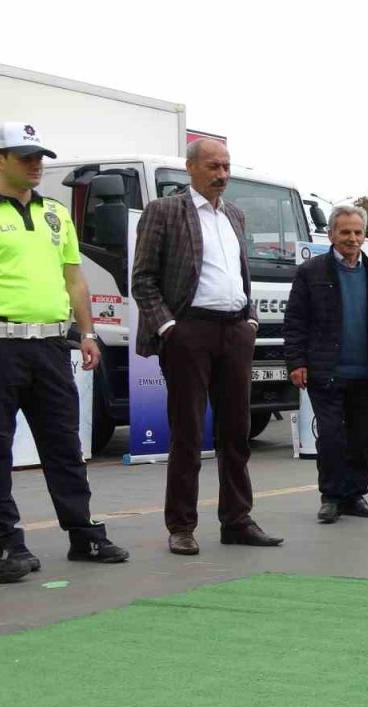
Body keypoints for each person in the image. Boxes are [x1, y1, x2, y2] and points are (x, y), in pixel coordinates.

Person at [131, 138, 283, 556]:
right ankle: (181, 525)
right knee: (188, 431)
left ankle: (237, 520)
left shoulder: (234, 214)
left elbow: (238, 274)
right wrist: (169, 329)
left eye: (227, 166)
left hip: (235, 331)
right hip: (189, 332)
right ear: (191, 168)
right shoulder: (165, 211)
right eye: (214, 166)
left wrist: (250, 319)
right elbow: (142, 278)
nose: (222, 175)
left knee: (236, 431)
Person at [0, 121, 129, 581]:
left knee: (65, 445)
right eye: (25, 156)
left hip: (52, 345)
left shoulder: (55, 213)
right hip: (0, 344)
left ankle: (82, 533)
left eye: (39, 157)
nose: (36, 165)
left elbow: (74, 277)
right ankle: (5, 541)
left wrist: (88, 334)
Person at [283, 204, 368, 524]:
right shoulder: (311, 272)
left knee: (363, 438)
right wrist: (296, 361)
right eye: (345, 232)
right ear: (331, 234)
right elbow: (295, 320)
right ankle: (331, 497)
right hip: (327, 371)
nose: (352, 238)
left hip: (365, 371)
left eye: (358, 232)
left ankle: (355, 495)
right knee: (332, 437)